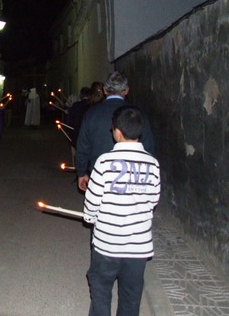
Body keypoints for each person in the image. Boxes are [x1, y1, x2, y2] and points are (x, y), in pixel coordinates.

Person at [83, 105, 161, 316]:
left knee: (100, 292)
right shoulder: (153, 164)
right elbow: (153, 200)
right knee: (130, 297)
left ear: (117, 131)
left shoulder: (104, 162)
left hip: (107, 244)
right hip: (138, 247)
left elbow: (92, 201)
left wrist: (90, 218)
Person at [76, 71, 154, 191]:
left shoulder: (91, 114)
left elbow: (83, 146)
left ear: (105, 90)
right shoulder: (137, 115)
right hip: (131, 176)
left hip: (100, 175)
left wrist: (81, 172)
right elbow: (148, 147)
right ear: (126, 90)